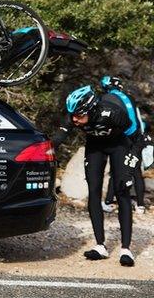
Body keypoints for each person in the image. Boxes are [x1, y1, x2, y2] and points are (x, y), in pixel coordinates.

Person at [53, 85, 145, 267]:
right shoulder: (75, 113)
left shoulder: (113, 113)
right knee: (93, 191)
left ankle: (126, 249)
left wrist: (130, 167)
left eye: (79, 116)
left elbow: (138, 139)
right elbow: (58, 138)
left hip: (119, 144)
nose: (75, 120)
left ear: (92, 109)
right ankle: (100, 246)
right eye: (72, 115)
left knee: (121, 190)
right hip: (95, 146)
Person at [99, 76, 147, 215]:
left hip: (122, 138)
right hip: (136, 137)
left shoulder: (107, 98)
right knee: (136, 171)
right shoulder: (129, 97)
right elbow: (138, 119)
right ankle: (141, 205)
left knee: (115, 169)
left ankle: (108, 202)